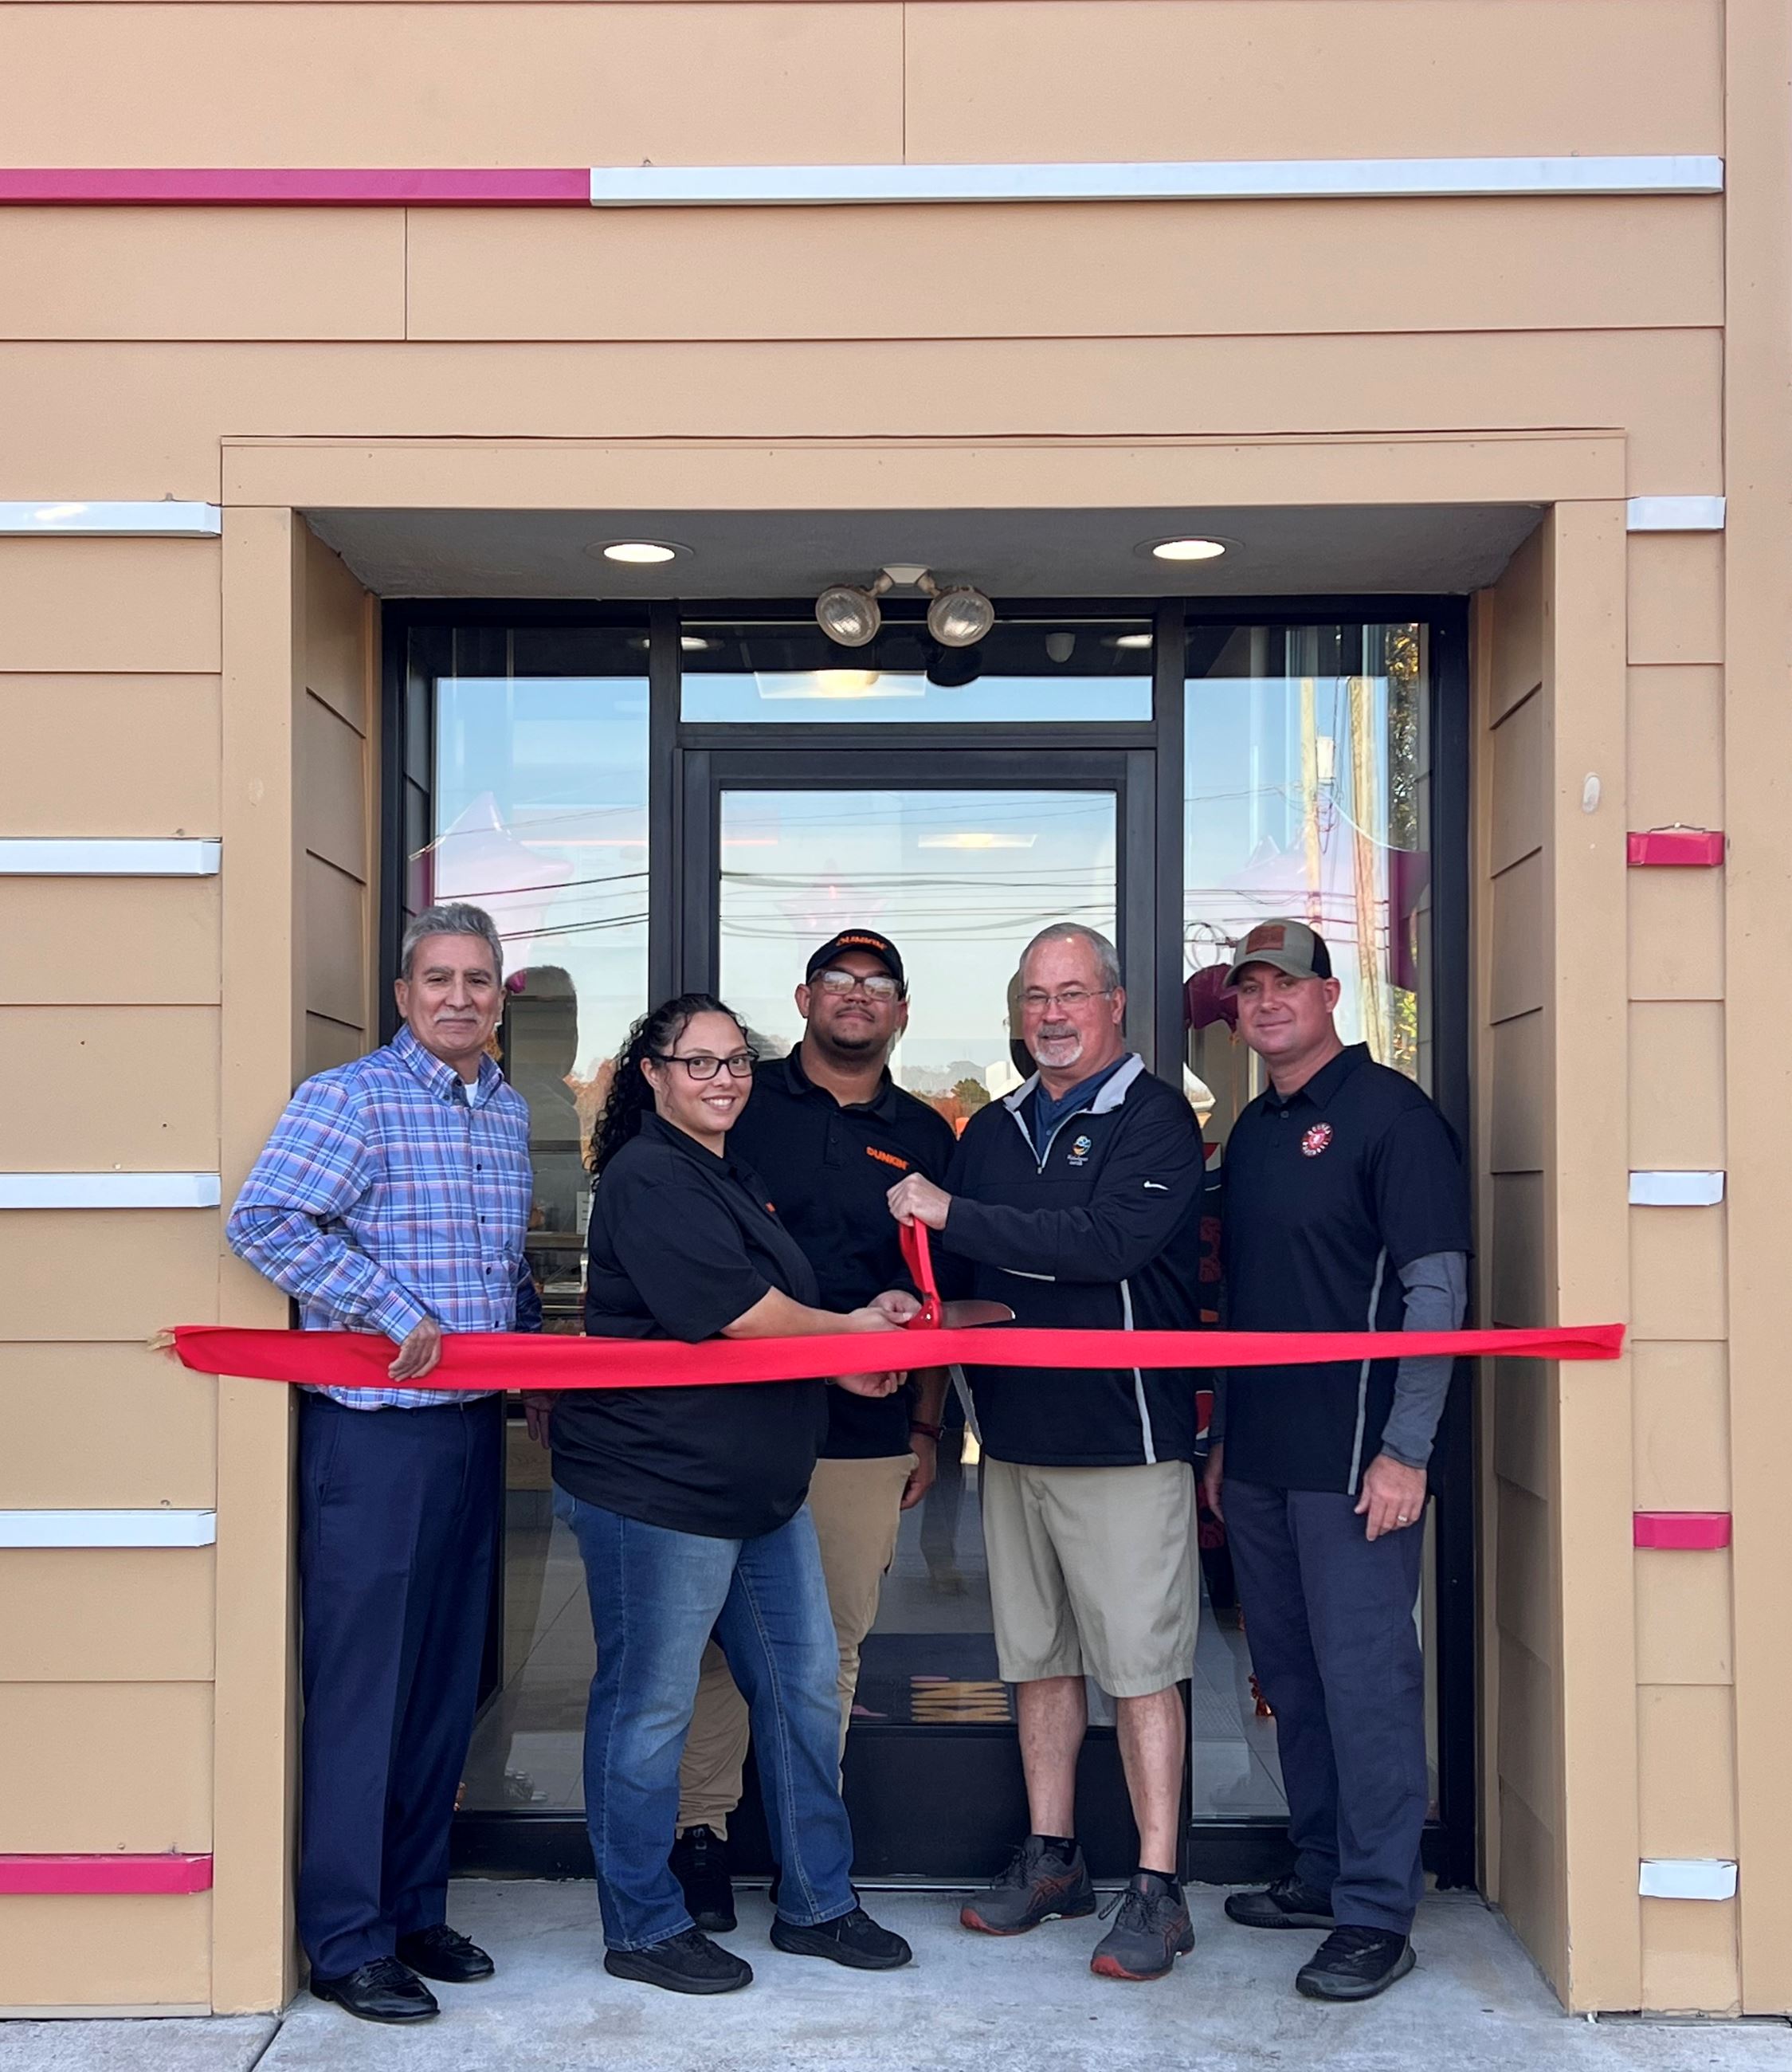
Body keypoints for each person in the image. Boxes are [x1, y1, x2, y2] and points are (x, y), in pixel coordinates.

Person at [550, 991, 917, 1995]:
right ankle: (642, 1924)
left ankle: (817, 1901)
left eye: (737, 1061)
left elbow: (769, 1322)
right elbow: (741, 1316)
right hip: (658, 1491)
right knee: (649, 1709)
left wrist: (848, 1338)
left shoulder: (726, 1172)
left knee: (802, 1690)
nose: (724, 1078)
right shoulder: (647, 1176)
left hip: (759, 1492)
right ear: (652, 1074)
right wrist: (848, 1336)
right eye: (699, 1061)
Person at [226, 902, 531, 2026]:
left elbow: (500, 1269)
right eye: (437, 979)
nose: (459, 997)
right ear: (403, 996)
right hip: (372, 1438)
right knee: (364, 1692)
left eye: (478, 980)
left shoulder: (508, 1111)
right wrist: (390, 1307)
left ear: (498, 999)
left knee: (445, 1684)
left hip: (470, 1430)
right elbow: (266, 1221)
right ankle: (347, 1939)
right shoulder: (350, 1098)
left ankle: (411, 1909)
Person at [887, 922, 1208, 1984]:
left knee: (1143, 1670)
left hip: (1124, 1444)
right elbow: (973, 1279)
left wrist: (954, 1212)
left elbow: (1108, 1246)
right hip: (1014, 1444)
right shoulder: (993, 1128)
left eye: (1071, 993)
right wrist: (915, 1309)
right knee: (1039, 1661)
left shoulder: (1156, 1116)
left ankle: (1157, 1888)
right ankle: (1053, 1856)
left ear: (1114, 1003)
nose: (1052, 1014)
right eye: (1034, 996)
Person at [1203, 918, 1471, 2003]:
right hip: (1261, 1461)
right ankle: (1320, 1870)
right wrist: (1225, 1443)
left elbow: (1436, 1295)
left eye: (1287, 984)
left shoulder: (1390, 1117)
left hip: (1359, 1464)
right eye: (1249, 989)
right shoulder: (1254, 1130)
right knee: (1291, 1679)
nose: (1266, 1002)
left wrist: (1407, 1450)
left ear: (1328, 997)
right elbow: (1247, 1305)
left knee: (1366, 1686)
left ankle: (1374, 1912)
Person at [671, 930, 956, 1931]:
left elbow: (937, 1295)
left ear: (902, 1011)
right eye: (838, 979)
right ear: (803, 997)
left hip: (862, 1427)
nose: (856, 996)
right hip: (731, 1419)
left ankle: (808, 1862)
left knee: (828, 1648)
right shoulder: (739, 1105)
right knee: (716, 1644)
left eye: (878, 984)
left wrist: (926, 1425)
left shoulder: (926, 1134)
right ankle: (699, 1835)